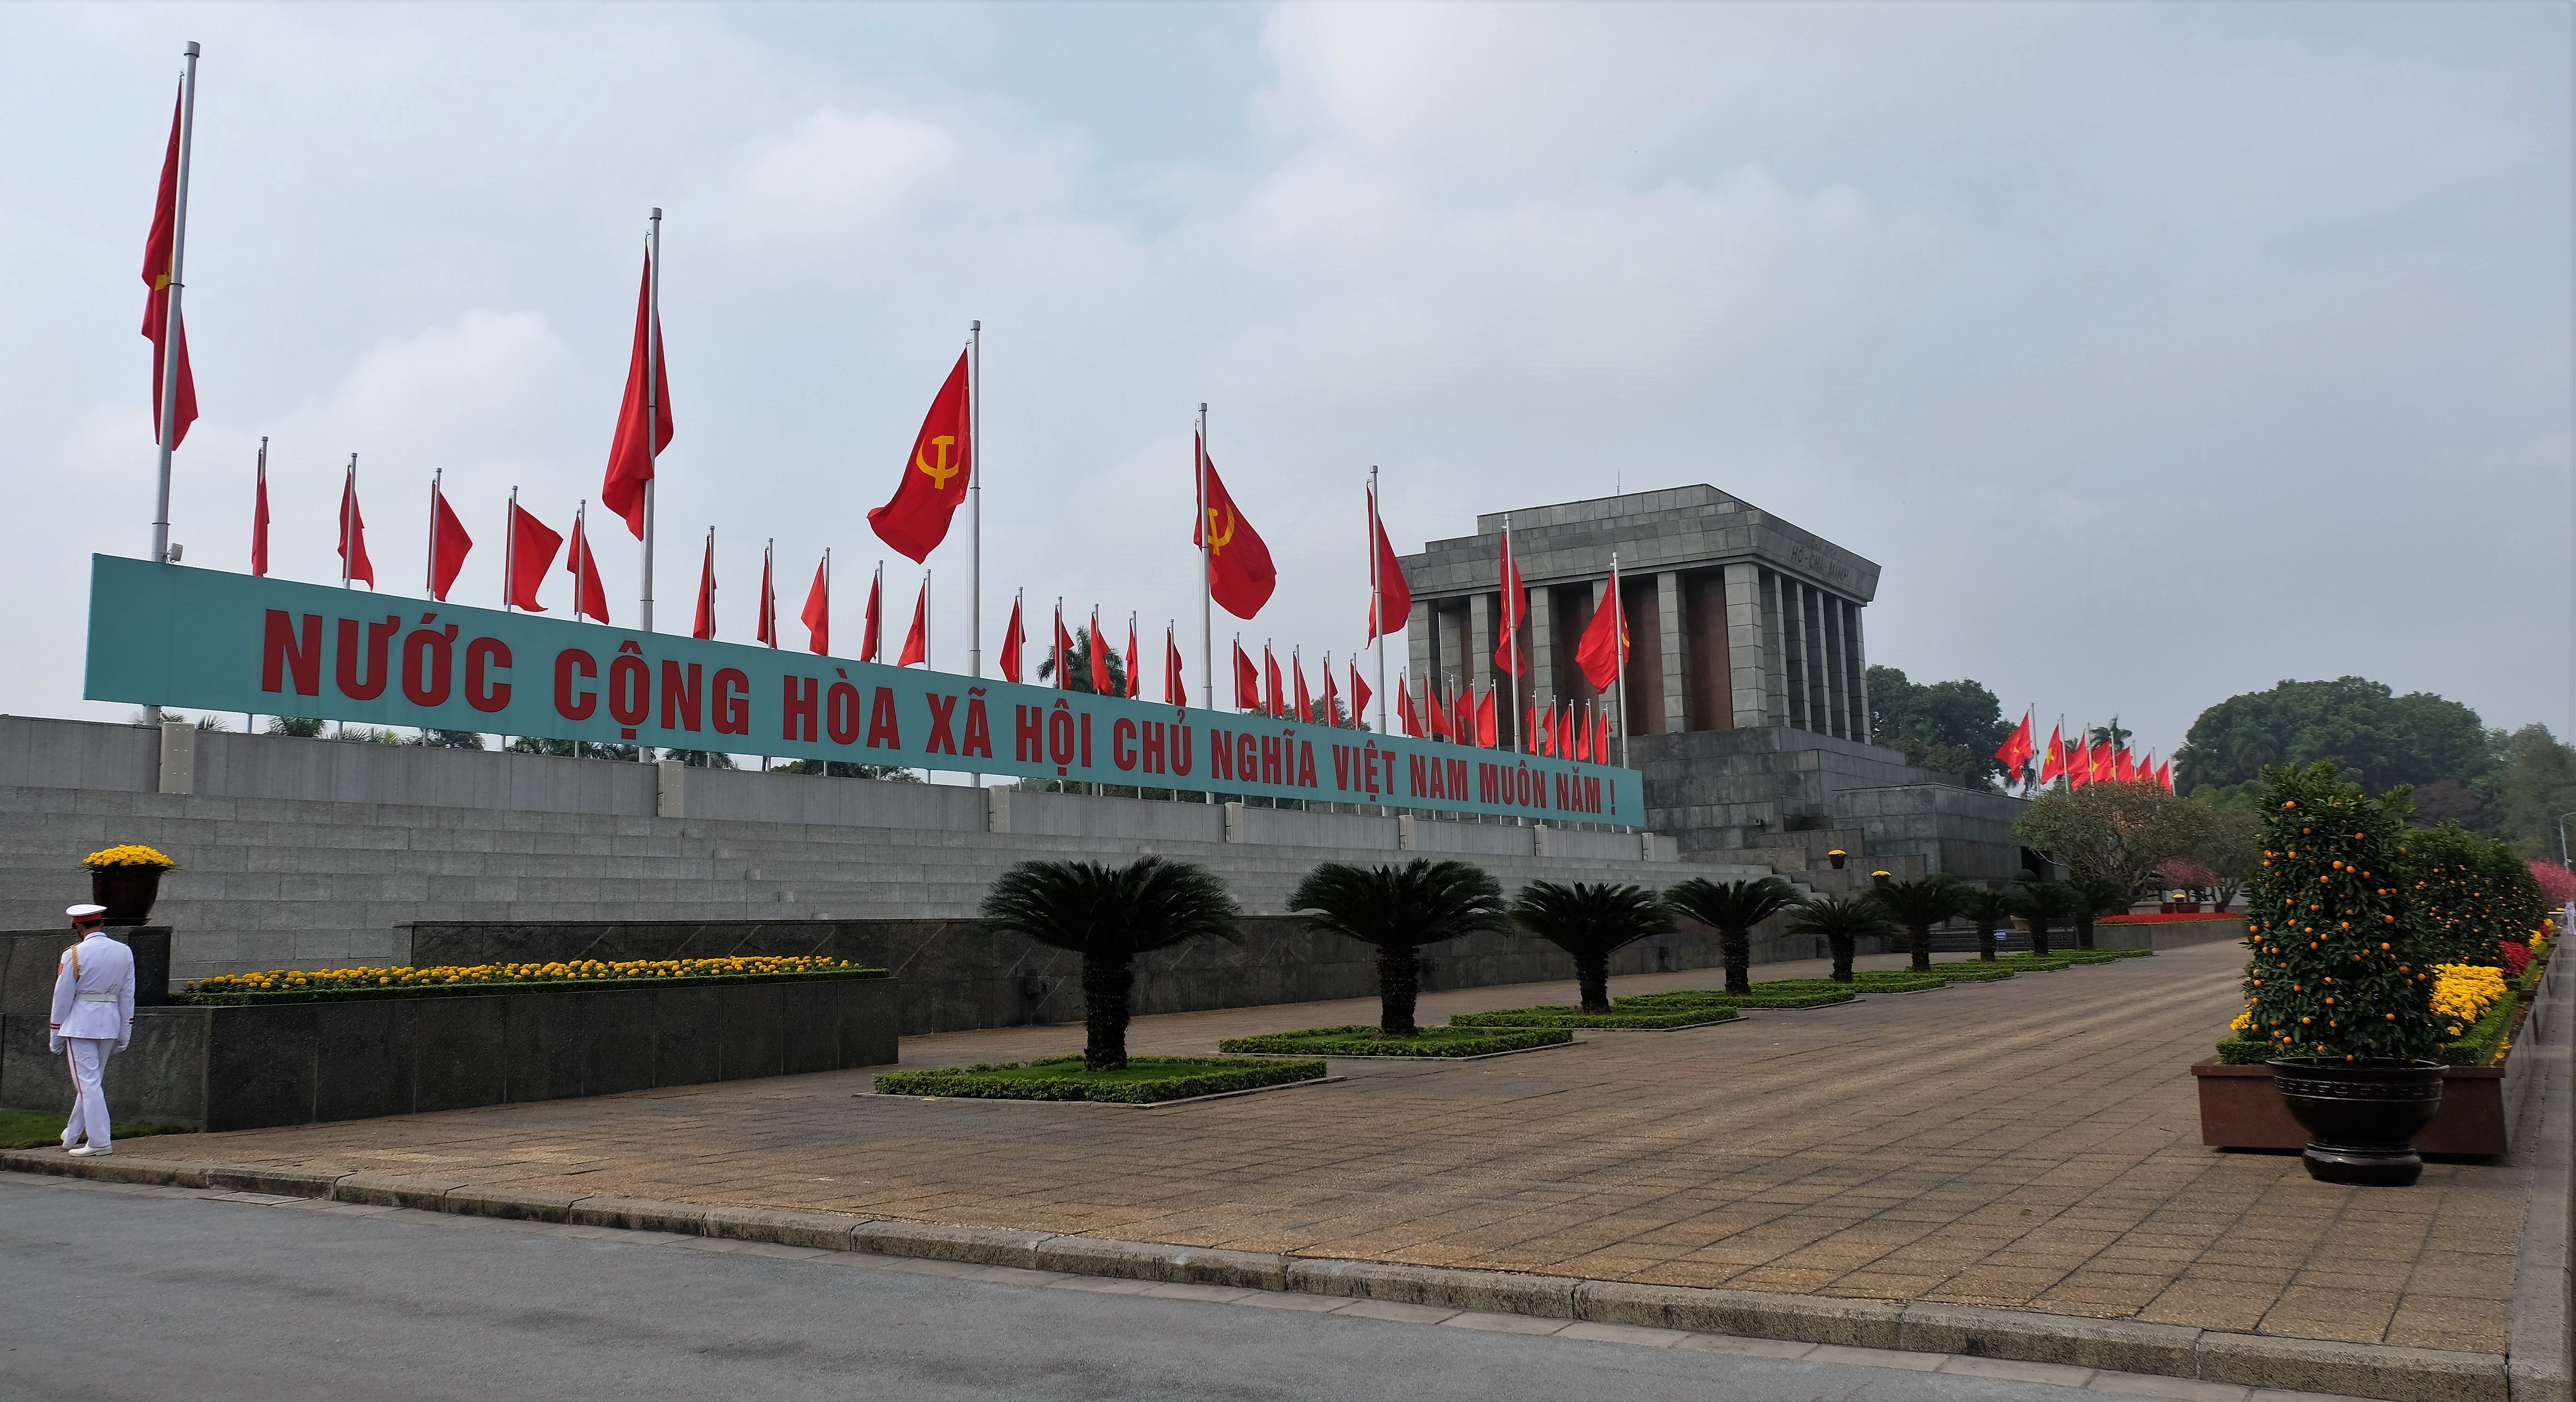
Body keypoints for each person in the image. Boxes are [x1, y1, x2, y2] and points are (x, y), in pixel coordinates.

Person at [49, 904, 136, 1157]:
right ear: (101, 923)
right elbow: (128, 995)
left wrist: (55, 1032)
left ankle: (99, 1141)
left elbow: (62, 996)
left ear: (78, 926)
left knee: (87, 1084)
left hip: (81, 1023)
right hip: (110, 1021)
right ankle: (72, 1134)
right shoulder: (124, 952)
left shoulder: (74, 954)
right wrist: (125, 1030)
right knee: (92, 1082)